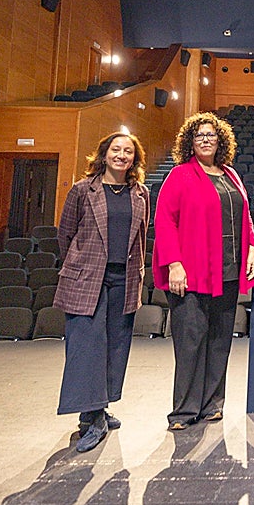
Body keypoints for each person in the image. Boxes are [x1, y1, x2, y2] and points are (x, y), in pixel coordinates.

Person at [154, 112, 254, 431]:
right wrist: (174, 263)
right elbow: (164, 221)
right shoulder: (180, 175)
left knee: (219, 341)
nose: (206, 139)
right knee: (190, 343)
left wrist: (252, 246)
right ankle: (184, 412)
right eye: (199, 135)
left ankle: (213, 404)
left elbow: (246, 216)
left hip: (226, 270)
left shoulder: (230, 175)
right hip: (192, 272)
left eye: (211, 134)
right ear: (190, 142)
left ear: (221, 140)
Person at [54, 131, 150, 453]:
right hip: (87, 279)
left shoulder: (140, 194)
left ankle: (101, 407)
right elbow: (65, 234)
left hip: (124, 279)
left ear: (134, 159)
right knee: (86, 349)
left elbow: (141, 237)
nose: (121, 155)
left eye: (128, 151)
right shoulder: (83, 190)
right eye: (116, 149)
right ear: (104, 154)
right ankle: (90, 419)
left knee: (115, 347)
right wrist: (82, 265)